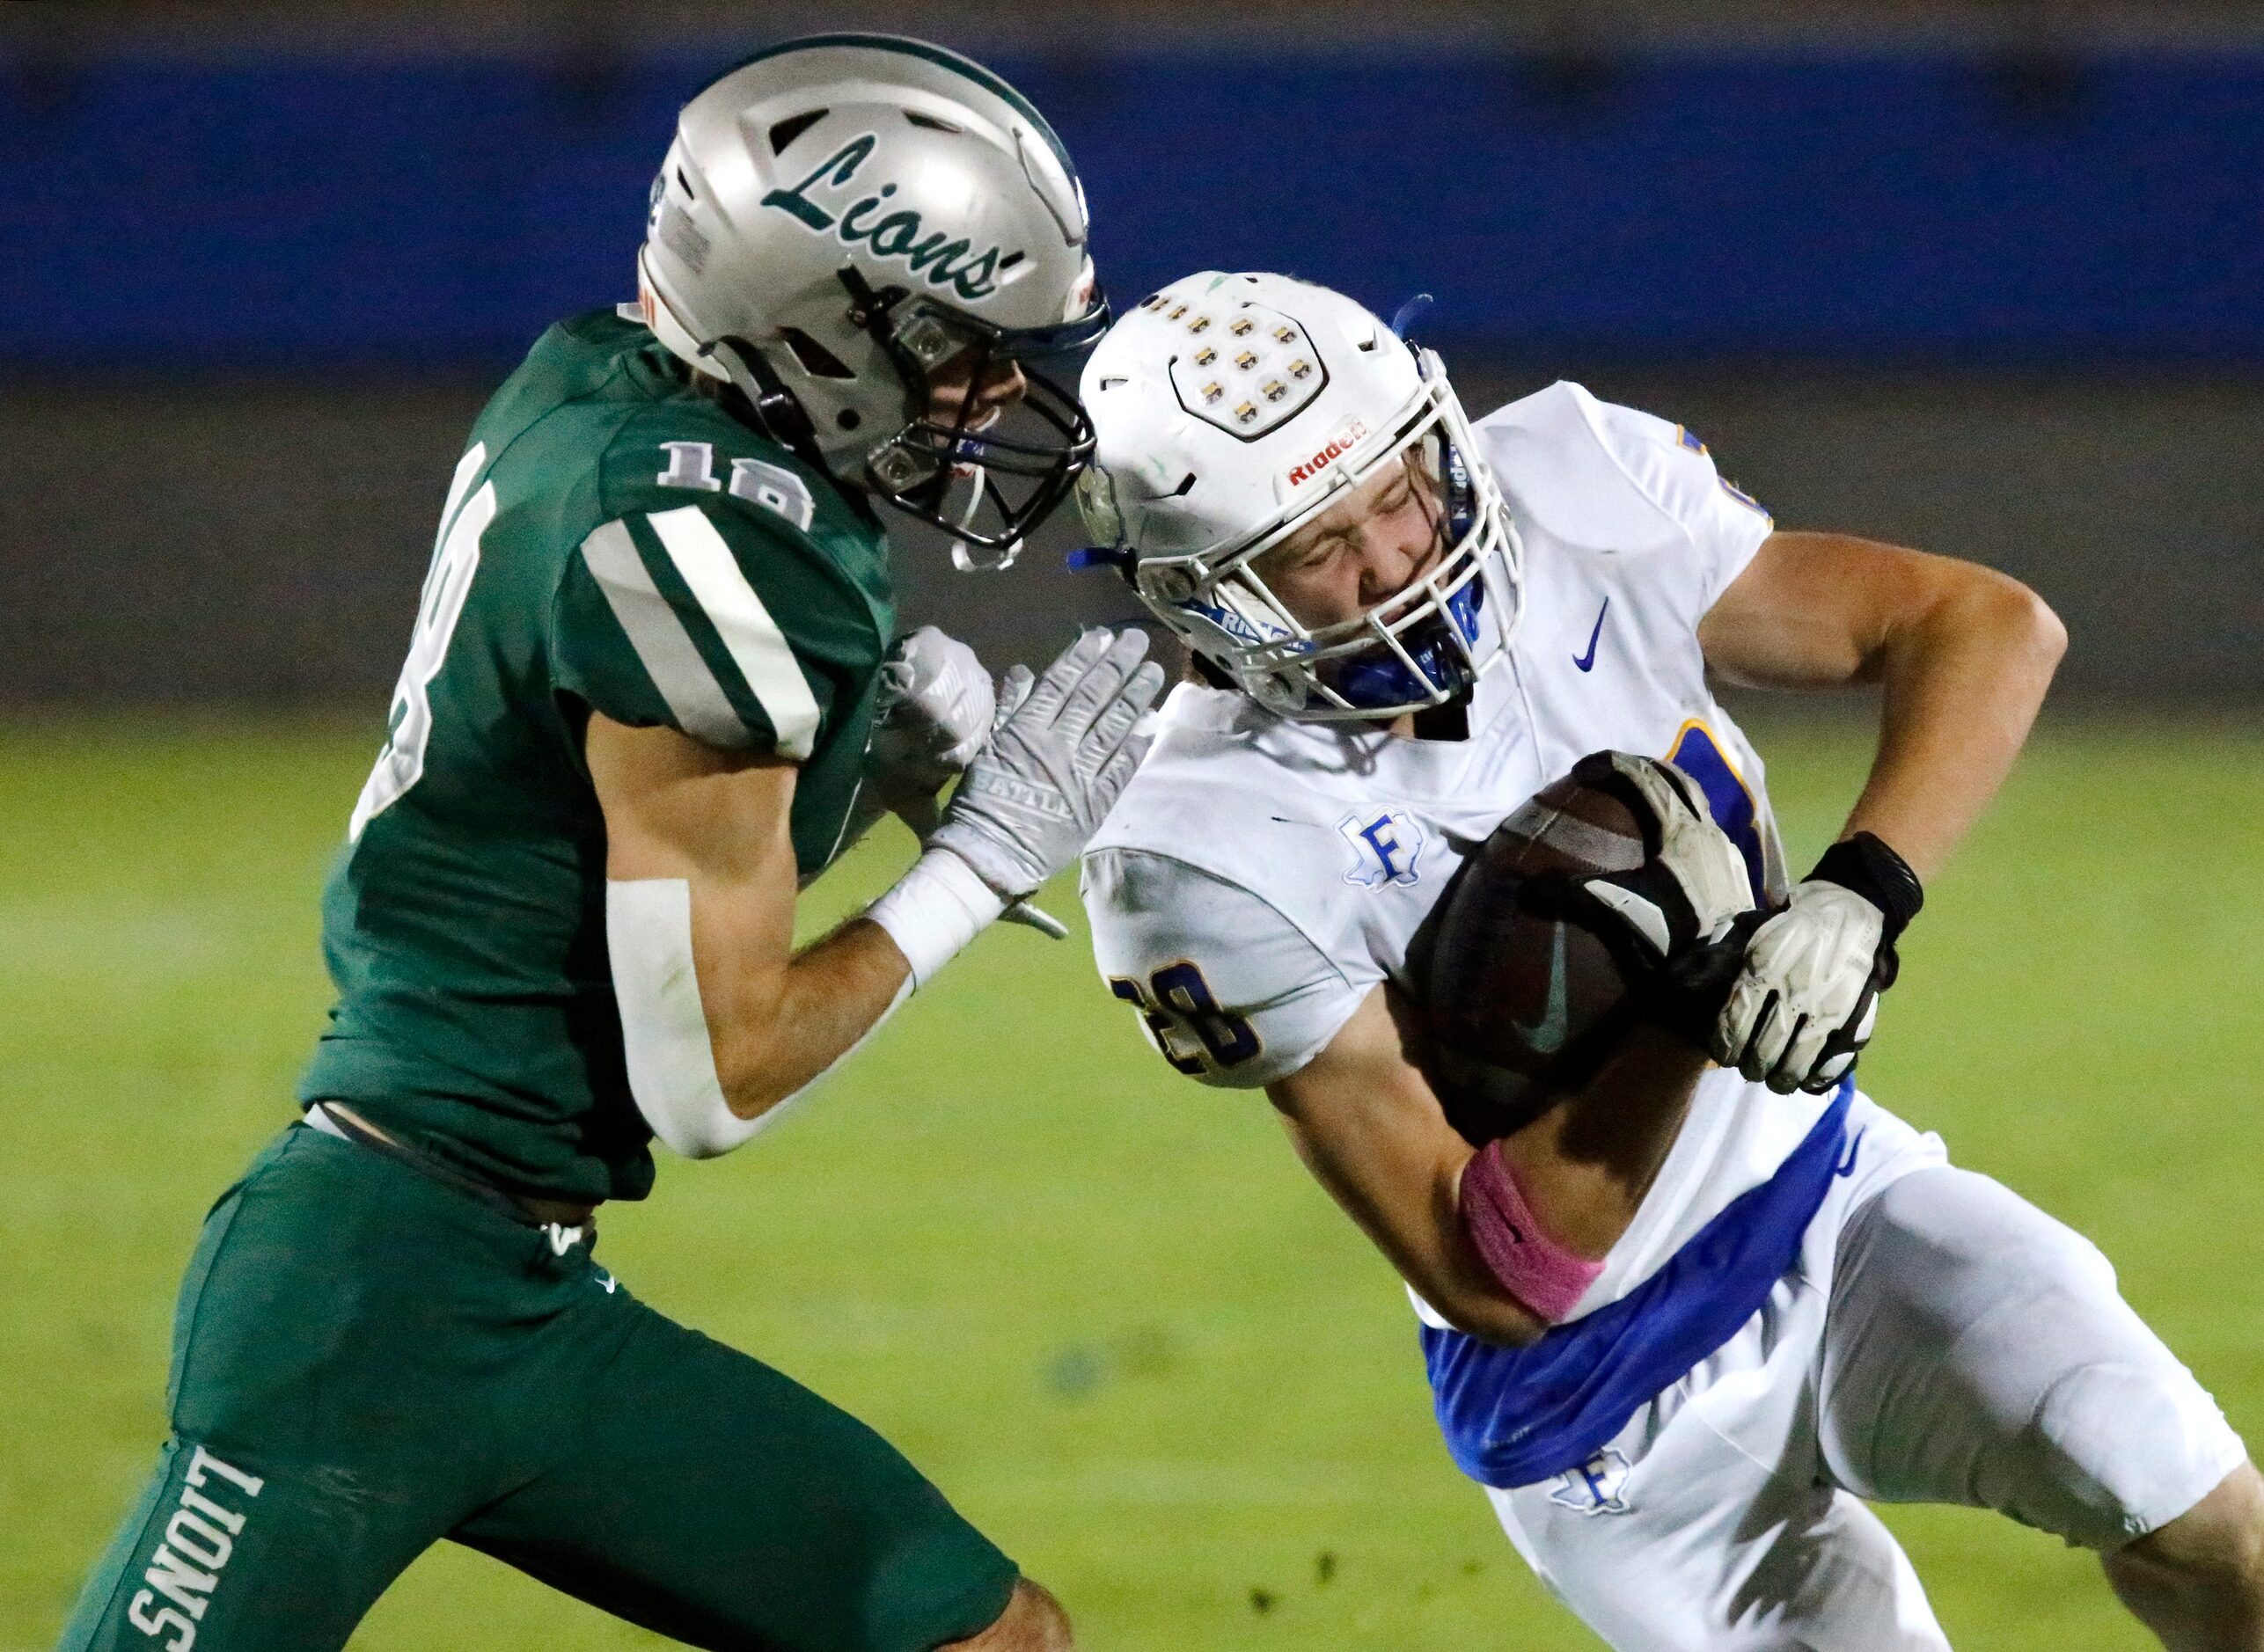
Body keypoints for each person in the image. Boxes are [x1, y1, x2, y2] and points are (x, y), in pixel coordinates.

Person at [60, 37, 1162, 1652]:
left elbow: (583, 831)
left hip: (509, 1281)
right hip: (375, 1299)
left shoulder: (600, 388)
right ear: (819, 309)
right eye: (960, 345)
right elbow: (712, 1075)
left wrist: (855, 763)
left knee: (986, 1636)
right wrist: (979, 860)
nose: (1000, 395)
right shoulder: (704, 538)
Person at [1072, 269, 2264, 1649]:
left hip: (1834, 1195)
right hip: (1604, 1402)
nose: (1398, 560)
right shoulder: (1195, 856)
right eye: (1315, 549)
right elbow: (1491, 1277)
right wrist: (1691, 1004)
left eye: (1402, 489)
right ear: (1198, 593)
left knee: (2205, 1520)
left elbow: (1984, 623)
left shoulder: (1572, 486)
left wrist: (1859, 893)